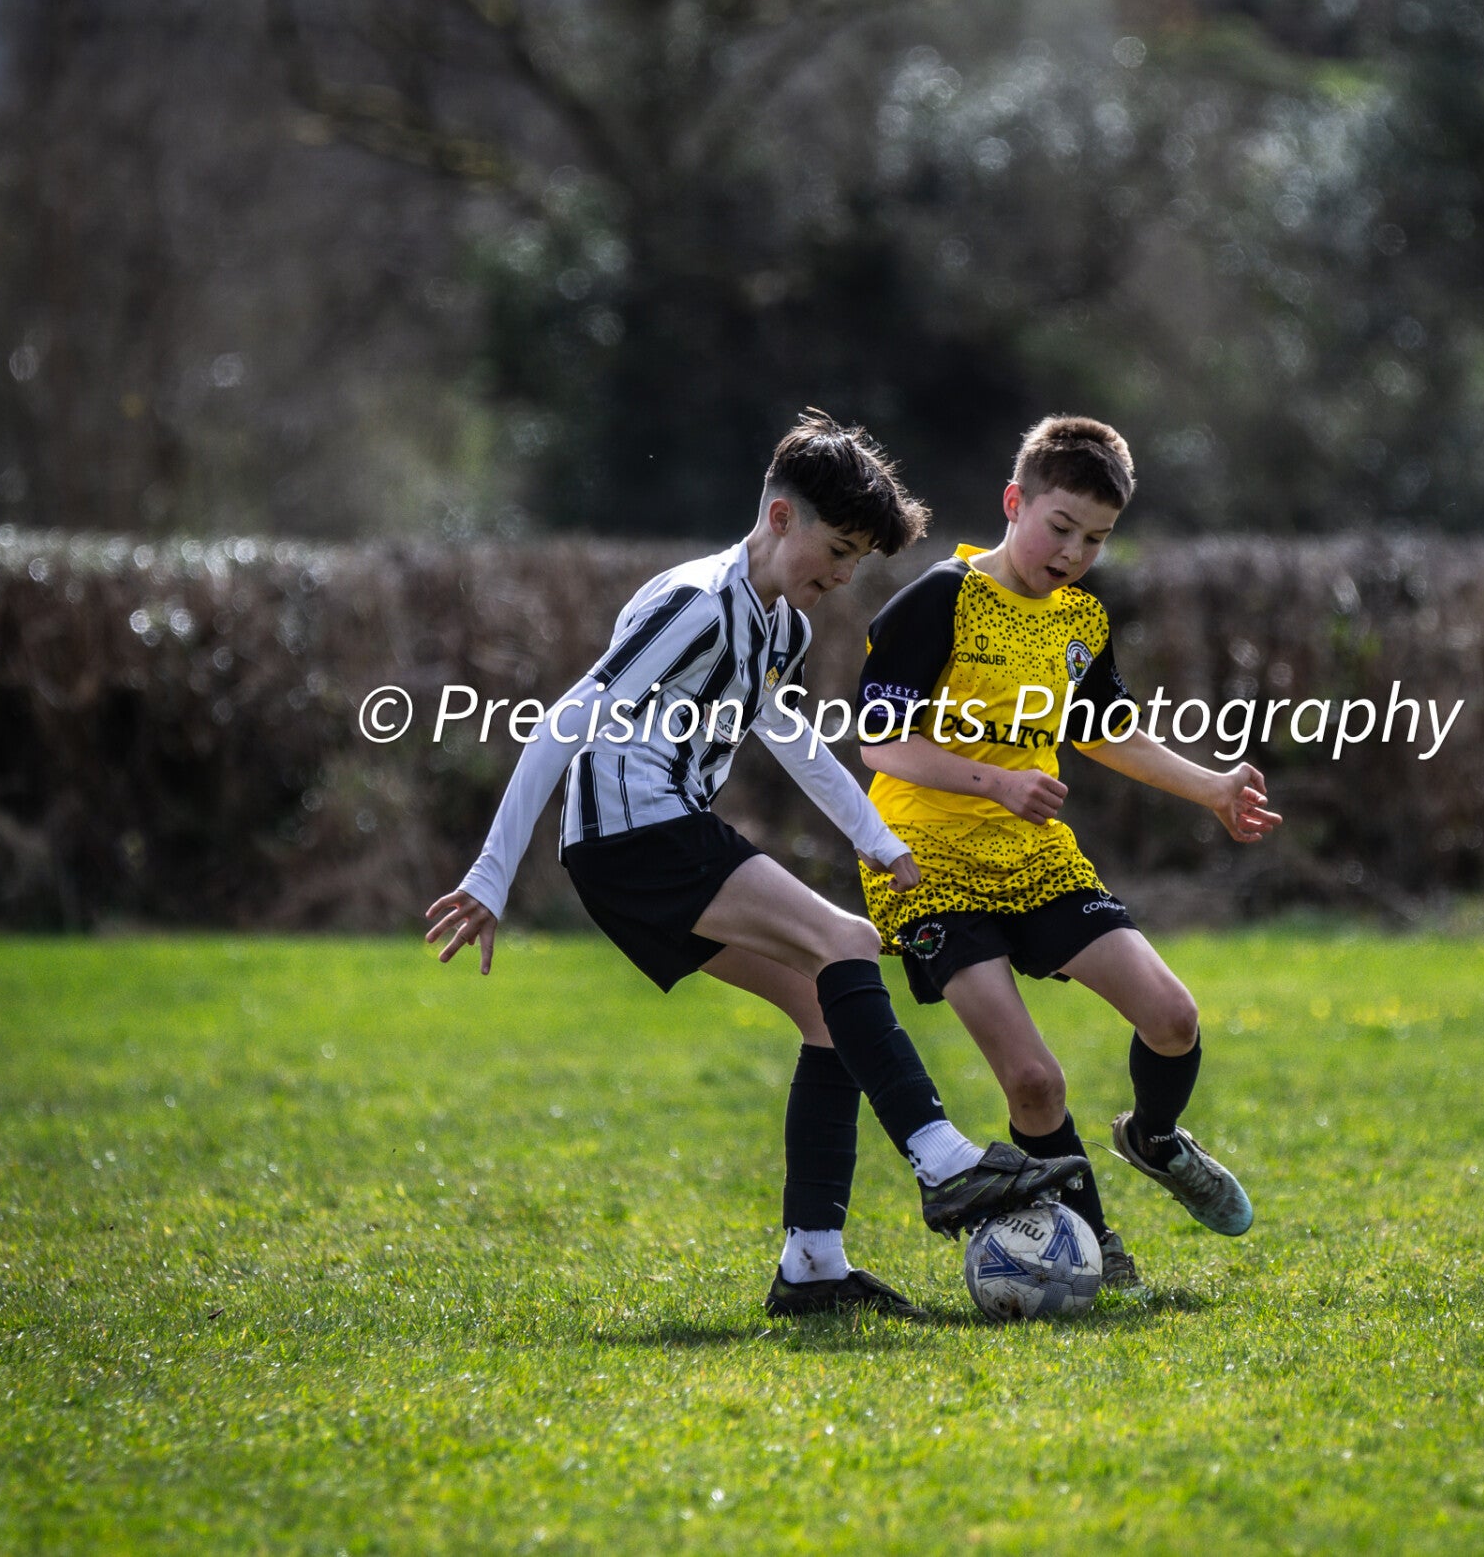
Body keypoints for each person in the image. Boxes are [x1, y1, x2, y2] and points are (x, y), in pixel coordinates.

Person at [423, 412, 1088, 1317]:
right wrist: (491, 876)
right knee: (846, 942)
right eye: (839, 548)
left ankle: (812, 1268)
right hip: (638, 832)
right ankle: (943, 1164)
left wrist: (878, 840)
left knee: (825, 1008)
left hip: (639, 845)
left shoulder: (779, 627)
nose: (845, 575)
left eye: (859, 561)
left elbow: (795, 741)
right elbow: (567, 720)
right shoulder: (693, 603)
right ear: (780, 518)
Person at [849, 415, 1282, 1288]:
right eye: (1060, 527)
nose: (1074, 552)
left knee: (1171, 1018)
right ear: (1015, 502)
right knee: (1035, 1082)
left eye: (1096, 538)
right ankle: (1091, 1250)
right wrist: (994, 781)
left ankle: (1153, 1141)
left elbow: (1105, 732)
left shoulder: (1079, 618)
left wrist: (1210, 789)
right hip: (922, 866)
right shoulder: (940, 599)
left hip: (1034, 859)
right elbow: (876, 741)